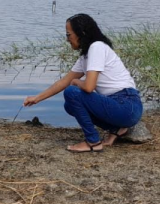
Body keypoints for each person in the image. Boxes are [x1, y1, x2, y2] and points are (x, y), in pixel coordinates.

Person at [23, 13, 143, 153]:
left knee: (72, 92)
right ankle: (117, 129)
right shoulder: (85, 57)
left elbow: (88, 87)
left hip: (127, 105)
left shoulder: (97, 47)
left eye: (69, 35)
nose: (67, 39)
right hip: (120, 107)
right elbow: (63, 82)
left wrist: (76, 82)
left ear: (82, 33)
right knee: (70, 105)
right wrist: (37, 98)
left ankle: (93, 142)